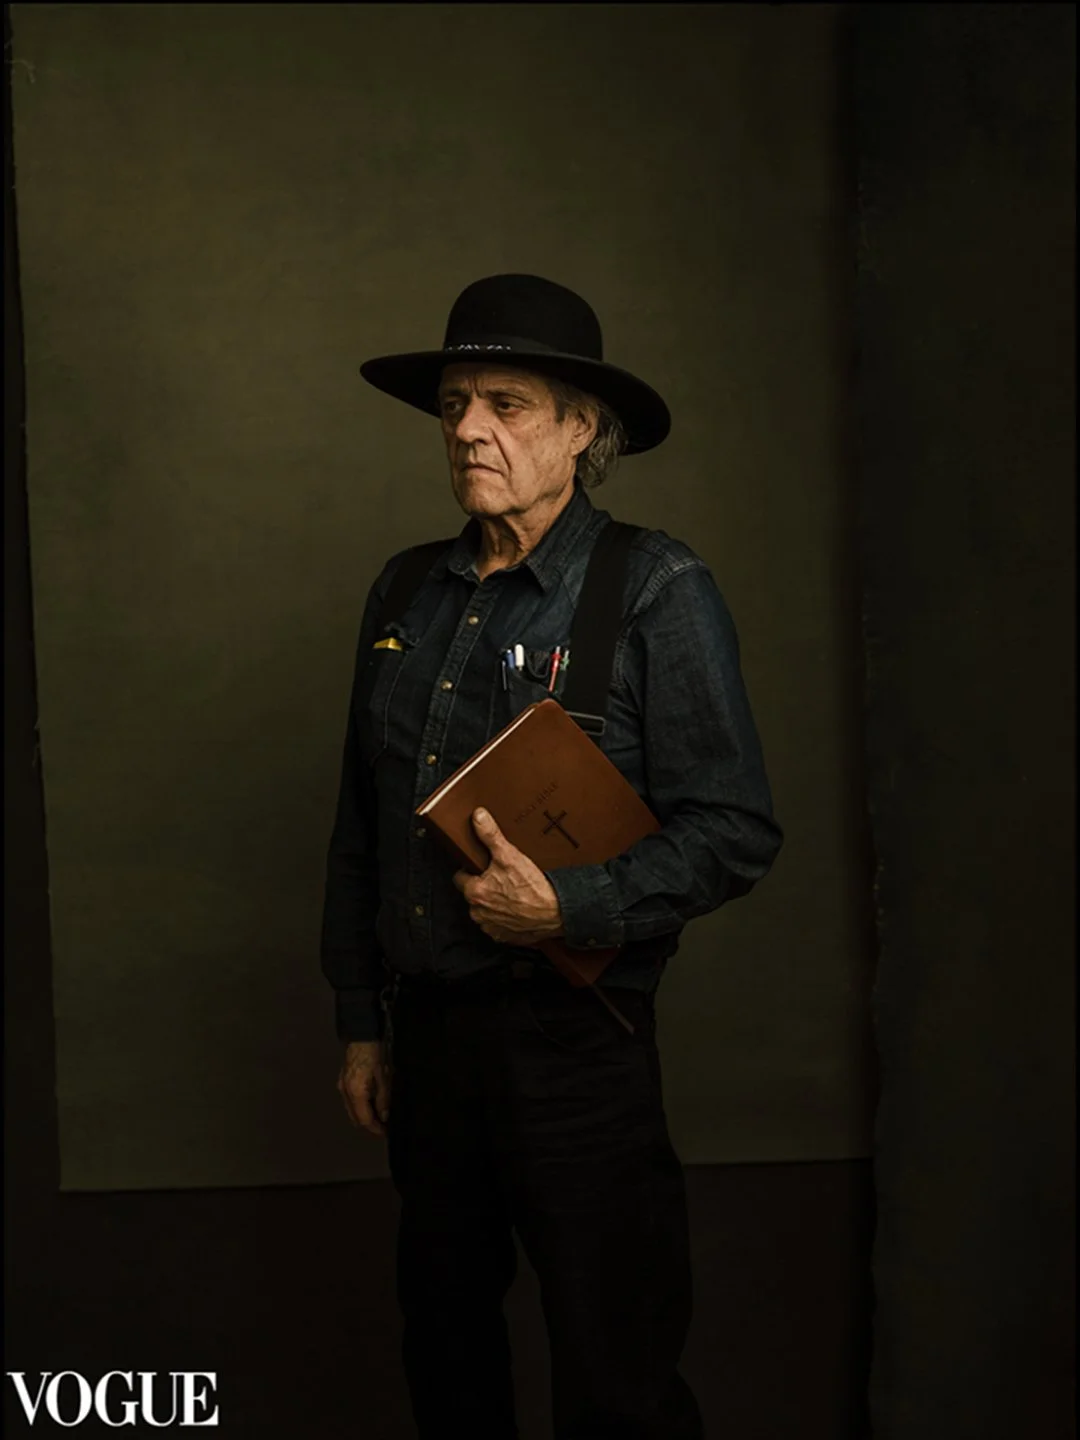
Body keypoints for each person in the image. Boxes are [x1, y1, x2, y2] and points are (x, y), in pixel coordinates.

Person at [320, 273, 783, 1439]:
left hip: (576, 1046)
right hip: (429, 1042)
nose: (469, 429)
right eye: (455, 404)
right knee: (446, 1350)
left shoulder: (654, 588)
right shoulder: (405, 591)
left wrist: (570, 905)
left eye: (507, 404)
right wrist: (361, 1019)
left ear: (582, 429)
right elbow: (361, 823)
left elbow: (734, 829)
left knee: (613, 1366)